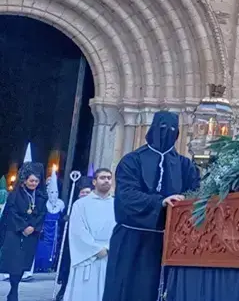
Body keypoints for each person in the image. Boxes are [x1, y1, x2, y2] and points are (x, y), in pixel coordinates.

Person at [103, 111, 200, 301]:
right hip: (132, 240)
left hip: (169, 241)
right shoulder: (132, 160)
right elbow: (127, 195)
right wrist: (160, 201)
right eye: (162, 129)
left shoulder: (185, 165)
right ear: (153, 129)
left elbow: (195, 194)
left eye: (172, 129)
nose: (167, 133)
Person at [63, 168, 115, 301]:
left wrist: (109, 247)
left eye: (109, 178)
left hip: (109, 255)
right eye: (102, 178)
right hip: (86, 257)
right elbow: (77, 231)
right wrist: (95, 249)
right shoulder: (80, 204)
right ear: (94, 181)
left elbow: (119, 229)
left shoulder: (116, 204)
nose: (106, 180)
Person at [0, 163, 47, 301]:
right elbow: (11, 212)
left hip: (31, 234)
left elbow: (42, 213)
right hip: (14, 232)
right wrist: (22, 227)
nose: (34, 184)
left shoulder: (41, 196)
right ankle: (13, 291)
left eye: (36, 181)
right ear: (25, 180)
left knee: (23, 263)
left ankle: (15, 287)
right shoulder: (15, 194)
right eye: (31, 181)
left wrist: (33, 226)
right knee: (14, 262)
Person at [53, 177, 94, 301]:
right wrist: (66, 219)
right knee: (68, 267)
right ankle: (64, 289)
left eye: (87, 192)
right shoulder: (73, 204)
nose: (85, 195)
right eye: (83, 192)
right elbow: (62, 225)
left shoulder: (94, 206)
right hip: (71, 244)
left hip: (87, 244)